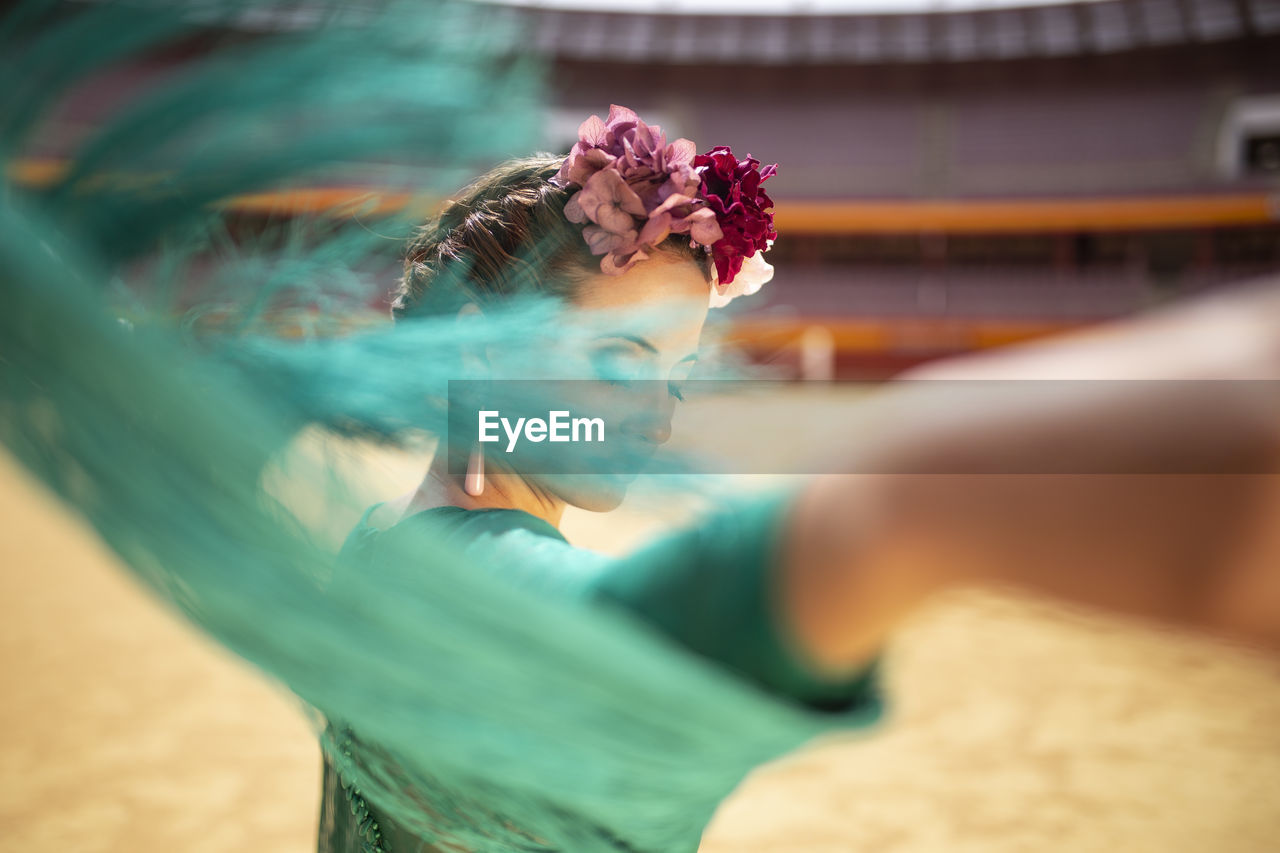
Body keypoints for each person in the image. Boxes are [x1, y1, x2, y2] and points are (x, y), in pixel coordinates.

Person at [316, 105, 1280, 852]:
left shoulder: (379, 542)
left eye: (677, 374)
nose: (655, 412)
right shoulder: (483, 591)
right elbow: (632, 637)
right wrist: (913, 490)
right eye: (618, 358)